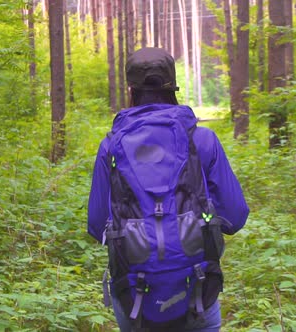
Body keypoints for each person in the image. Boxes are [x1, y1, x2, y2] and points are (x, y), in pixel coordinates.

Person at [87, 47, 249, 331]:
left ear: (131, 88)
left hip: (134, 293)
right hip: (198, 289)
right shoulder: (203, 140)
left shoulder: (111, 146)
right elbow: (235, 217)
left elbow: (97, 224)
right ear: (173, 86)